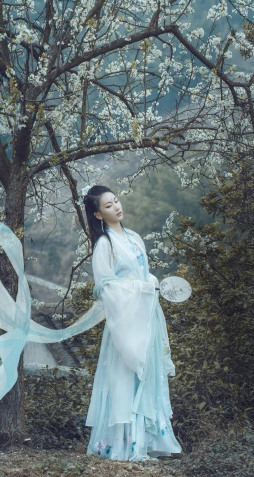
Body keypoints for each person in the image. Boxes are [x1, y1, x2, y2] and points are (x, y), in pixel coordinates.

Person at [82, 185, 182, 461]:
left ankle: (149, 440)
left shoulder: (135, 238)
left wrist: (149, 282)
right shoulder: (104, 245)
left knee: (148, 376)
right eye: (108, 205)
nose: (116, 207)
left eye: (116, 201)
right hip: (125, 323)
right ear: (99, 215)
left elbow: (143, 273)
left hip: (144, 317)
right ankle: (124, 445)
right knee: (125, 378)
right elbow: (107, 289)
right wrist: (141, 287)